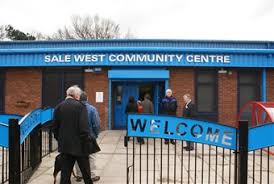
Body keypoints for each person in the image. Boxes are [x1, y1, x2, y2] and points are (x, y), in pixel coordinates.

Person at [53, 85, 94, 184]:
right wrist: (86, 142)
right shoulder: (80, 107)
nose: (79, 97)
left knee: (65, 174)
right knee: (86, 174)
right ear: (76, 95)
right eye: (79, 95)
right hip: (80, 146)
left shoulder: (58, 107)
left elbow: (55, 128)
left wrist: (60, 140)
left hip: (65, 146)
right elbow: (84, 128)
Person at [75, 92, 101, 182]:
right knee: (91, 155)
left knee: (78, 154)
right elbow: (96, 124)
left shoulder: (75, 109)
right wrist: (96, 134)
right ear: (87, 98)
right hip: (90, 136)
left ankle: (79, 175)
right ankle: (92, 175)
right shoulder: (92, 109)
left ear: (78, 98)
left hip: (77, 137)